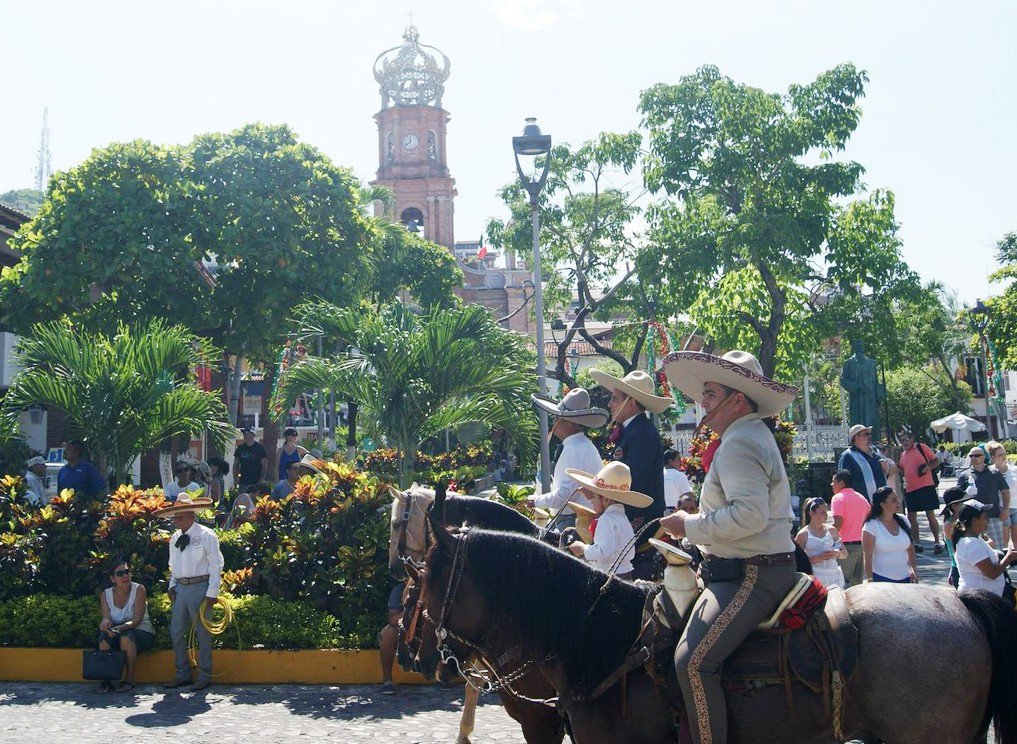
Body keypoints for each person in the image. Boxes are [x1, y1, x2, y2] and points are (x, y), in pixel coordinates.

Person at [658, 349, 799, 744]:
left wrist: (688, 525)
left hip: (754, 574)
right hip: (745, 568)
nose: (702, 402)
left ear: (738, 399)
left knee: (692, 663)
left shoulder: (739, 442)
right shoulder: (747, 435)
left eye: (711, 393)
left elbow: (749, 517)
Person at [589, 369, 673, 579]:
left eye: (615, 399)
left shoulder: (641, 433)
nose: (610, 404)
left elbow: (632, 482)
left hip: (637, 516)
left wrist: (599, 492)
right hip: (630, 513)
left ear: (632, 402)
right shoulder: (634, 430)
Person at [155, 493, 224, 691]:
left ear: (192, 515)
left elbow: (216, 564)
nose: (177, 520)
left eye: (181, 516)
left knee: (202, 633)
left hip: (201, 586)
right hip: (182, 588)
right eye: (176, 517)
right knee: (176, 631)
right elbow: (173, 565)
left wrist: (212, 592)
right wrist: (171, 585)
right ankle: (182, 674)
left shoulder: (207, 535)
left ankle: (205, 675)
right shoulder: (175, 538)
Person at [525, 388, 608, 529]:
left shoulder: (575, 449)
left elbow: (565, 495)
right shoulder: (579, 445)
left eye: (557, 417)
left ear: (567, 421)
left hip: (574, 521)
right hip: (575, 518)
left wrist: (536, 501)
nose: (554, 421)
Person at [566, 462, 652, 578]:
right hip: (625, 574)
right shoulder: (622, 517)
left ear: (606, 499)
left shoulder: (607, 519)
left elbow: (604, 553)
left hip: (610, 576)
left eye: (594, 498)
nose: (591, 502)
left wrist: (583, 549)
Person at [97, 558, 154, 692]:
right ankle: (106, 680)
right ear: (113, 579)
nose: (125, 576)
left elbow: (136, 620)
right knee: (104, 637)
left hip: (141, 632)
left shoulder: (139, 589)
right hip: (117, 631)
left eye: (127, 572)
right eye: (120, 573)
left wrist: (119, 629)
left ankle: (129, 680)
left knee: (125, 637)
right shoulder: (106, 594)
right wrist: (105, 624)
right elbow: (106, 618)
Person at [952, 499, 1017, 595]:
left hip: (984, 597)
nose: (988, 520)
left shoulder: (973, 539)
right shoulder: (972, 544)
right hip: (981, 601)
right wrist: (1008, 558)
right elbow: (992, 574)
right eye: (985, 518)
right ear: (974, 520)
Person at [896, 429, 943, 554]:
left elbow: (936, 460)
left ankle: (937, 541)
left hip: (926, 486)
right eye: (902, 440)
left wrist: (928, 467)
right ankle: (917, 542)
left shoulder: (921, 447)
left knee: (930, 515)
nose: (904, 442)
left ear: (912, 439)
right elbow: (900, 469)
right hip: (911, 489)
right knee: (911, 517)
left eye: (907, 439)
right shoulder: (903, 455)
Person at [862, 486, 918, 584]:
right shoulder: (871, 526)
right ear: (883, 505)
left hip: (905, 578)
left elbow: (911, 548)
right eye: (893, 500)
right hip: (881, 579)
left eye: (897, 499)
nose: (898, 501)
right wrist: (870, 579)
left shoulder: (903, 520)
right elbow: (867, 555)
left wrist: (913, 570)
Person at [957, 446, 1010, 548]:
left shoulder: (995, 472)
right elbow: (958, 496)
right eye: (971, 455)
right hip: (973, 519)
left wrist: (1006, 509)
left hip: (993, 515)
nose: (974, 458)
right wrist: (966, 493)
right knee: (977, 547)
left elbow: (1005, 491)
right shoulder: (964, 475)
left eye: (977, 455)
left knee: (997, 547)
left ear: (984, 457)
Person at [795, 497, 846, 588]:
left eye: (826, 511)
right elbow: (797, 562)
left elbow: (845, 554)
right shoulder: (803, 534)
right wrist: (817, 558)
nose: (826, 515)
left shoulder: (832, 531)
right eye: (822, 512)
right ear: (812, 513)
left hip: (834, 577)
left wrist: (837, 553)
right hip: (815, 578)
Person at [830, 469, 870, 587]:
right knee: (857, 585)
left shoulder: (837, 498)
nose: (832, 485)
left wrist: (825, 536)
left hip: (844, 546)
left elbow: (838, 523)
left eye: (833, 481)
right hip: (861, 546)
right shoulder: (861, 498)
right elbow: (868, 518)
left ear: (841, 483)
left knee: (842, 582)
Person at [836, 425, 886, 502]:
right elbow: (842, 483)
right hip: (861, 504)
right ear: (856, 438)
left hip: (882, 503)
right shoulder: (848, 456)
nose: (869, 436)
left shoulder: (876, 451)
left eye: (869, 434)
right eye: (866, 434)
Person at [986, 441, 1017, 549]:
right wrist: (1004, 509)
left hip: (1015, 506)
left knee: (1016, 537)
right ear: (993, 457)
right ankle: (1005, 560)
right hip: (1000, 507)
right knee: (1004, 538)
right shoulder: (990, 471)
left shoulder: (1014, 469)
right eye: (1000, 455)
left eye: (1004, 453)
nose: (1003, 456)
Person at [941, 487, 970, 588]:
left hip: (968, 567)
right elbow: (956, 549)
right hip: (960, 569)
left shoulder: (965, 520)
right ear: (955, 506)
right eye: (964, 502)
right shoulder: (950, 524)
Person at [233, 427, 268, 492]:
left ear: (253, 434)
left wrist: (261, 480)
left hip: (256, 483)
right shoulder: (240, 448)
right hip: (243, 482)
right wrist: (235, 478)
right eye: (244, 433)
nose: (245, 435)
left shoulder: (260, 449)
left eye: (247, 433)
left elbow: (264, 466)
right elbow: (236, 464)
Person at [663, 448, 693, 514]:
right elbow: (687, 496)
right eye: (678, 459)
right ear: (670, 461)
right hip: (675, 511)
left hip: (659, 512)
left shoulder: (658, 475)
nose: (681, 462)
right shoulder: (679, 475)